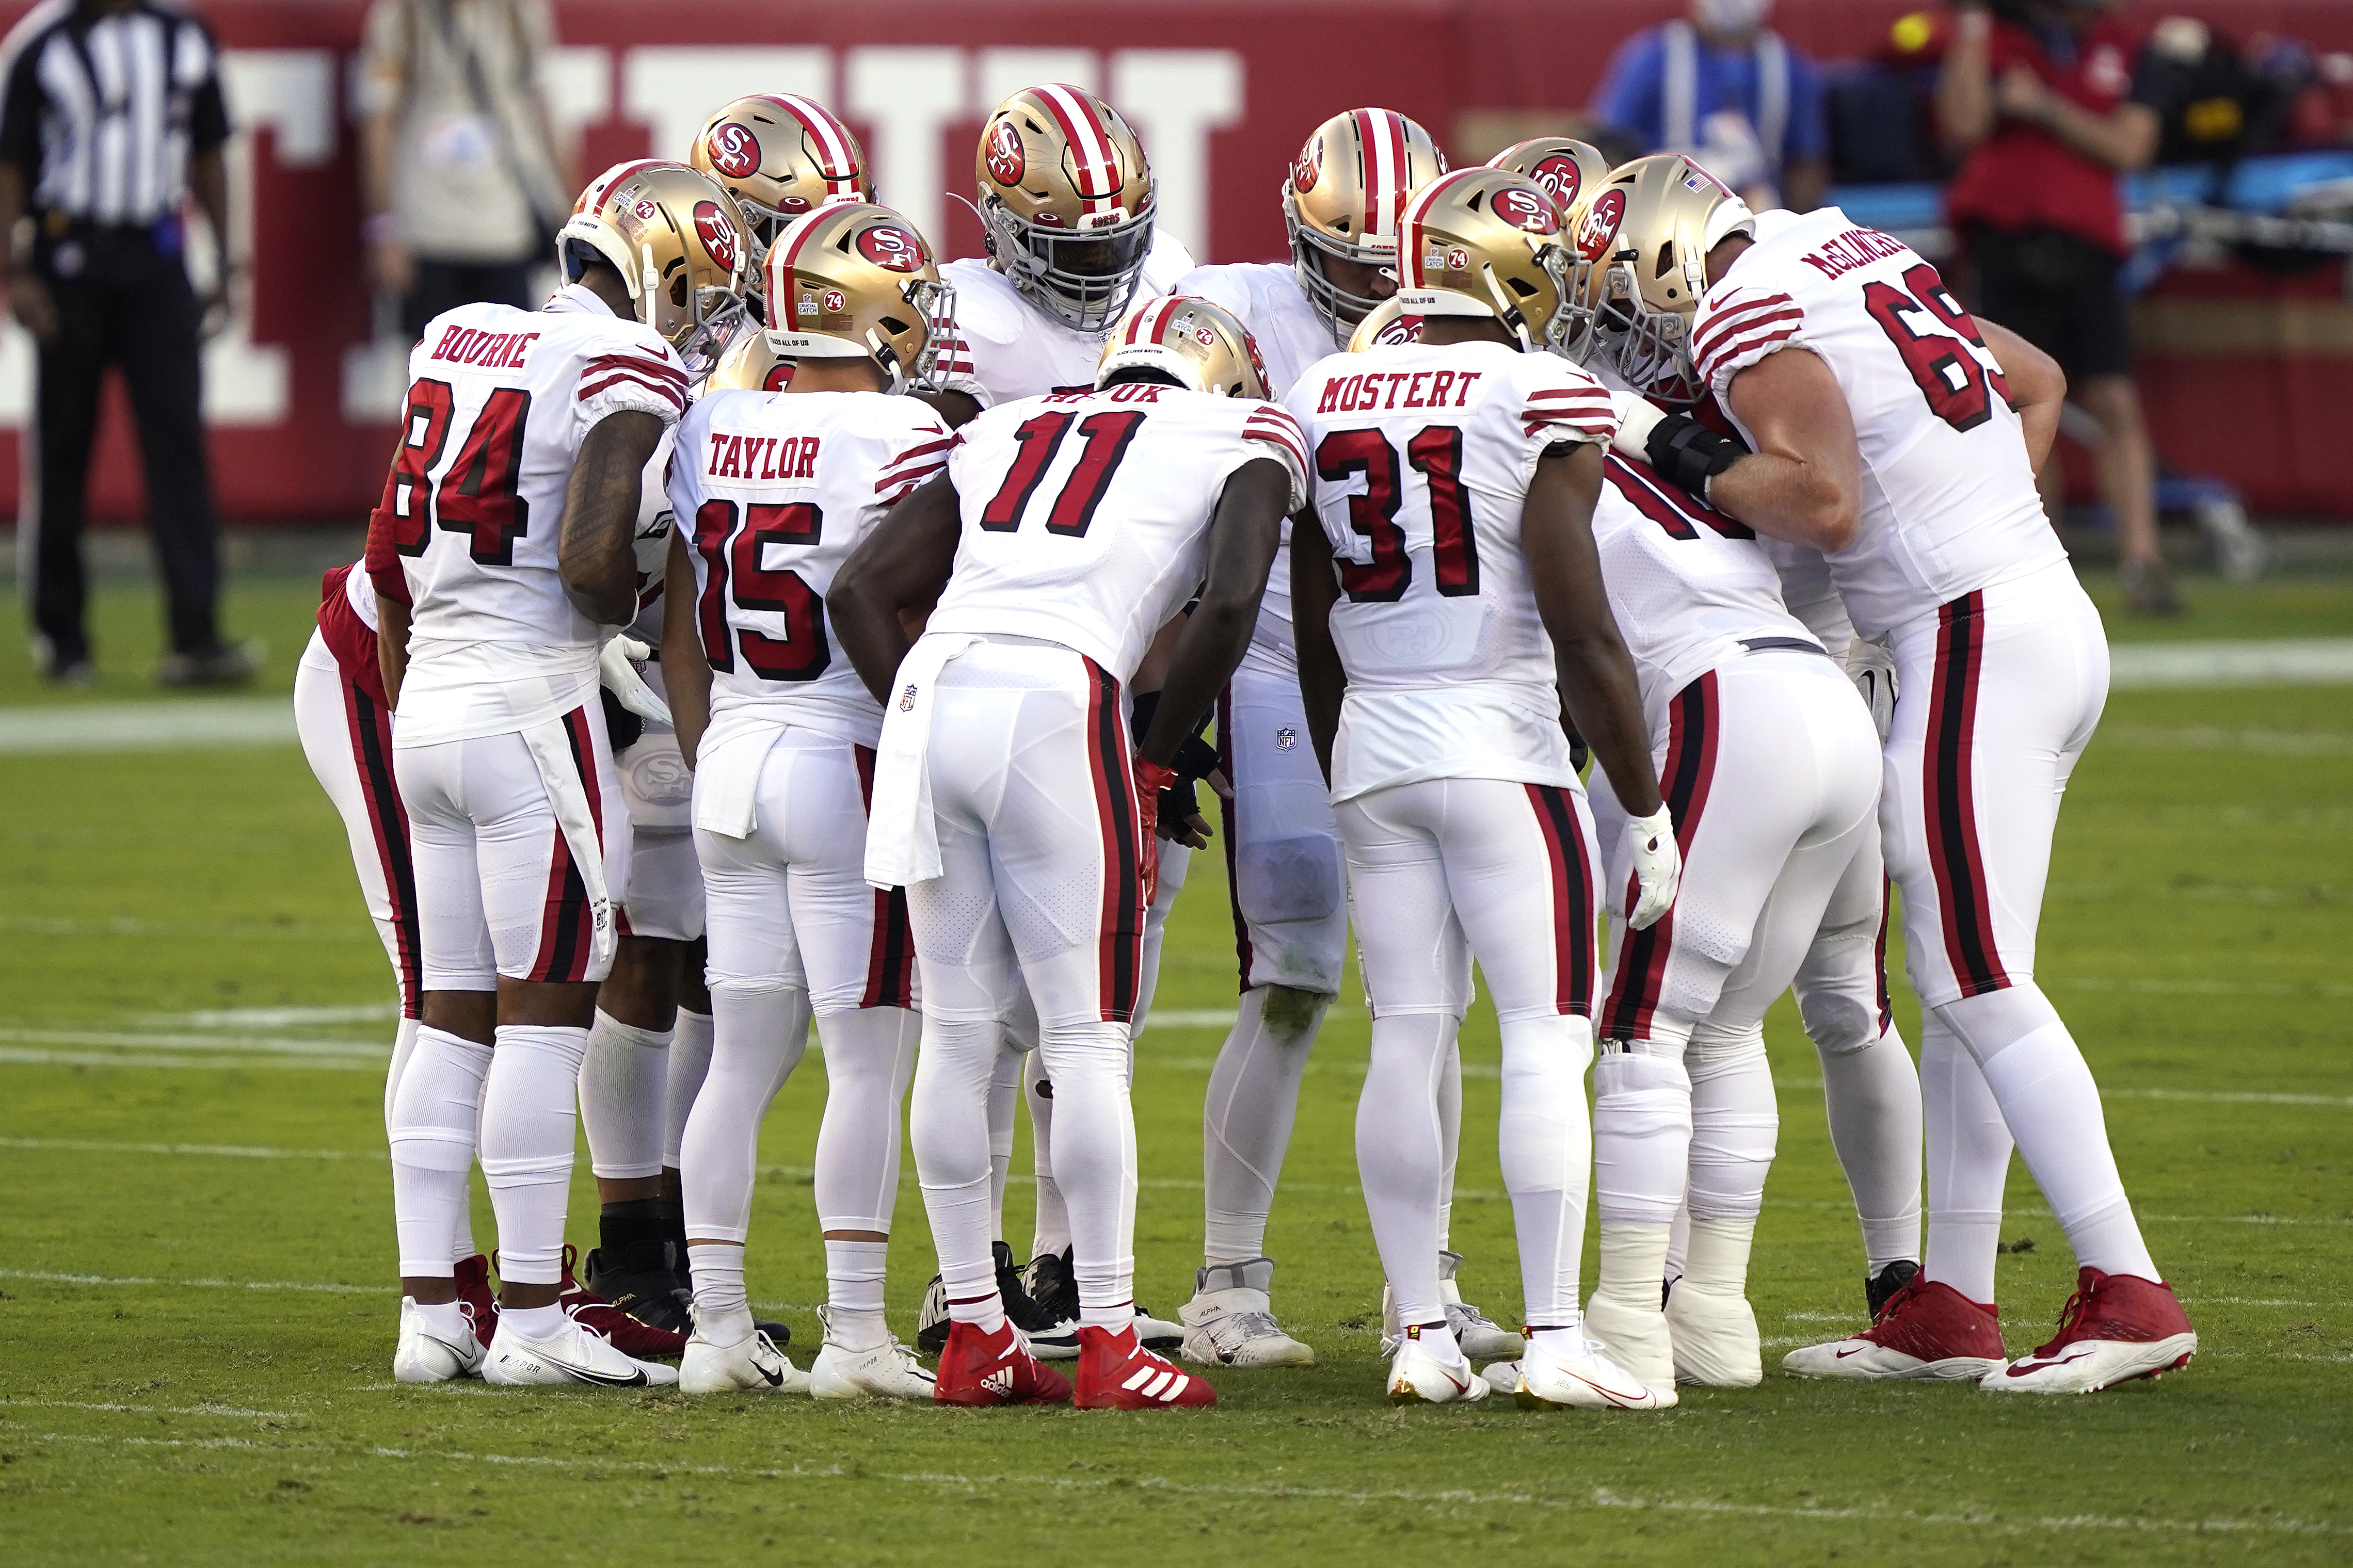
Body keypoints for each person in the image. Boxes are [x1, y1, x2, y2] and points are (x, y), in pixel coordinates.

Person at [1588, 142, 2196, 1393]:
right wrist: (1971, 516)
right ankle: (1951, 1305)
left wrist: (1663, 439)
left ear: (1662, 259)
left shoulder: (1742, 304)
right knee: (1971, 976)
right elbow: (2037, 382)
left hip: (1969, 627)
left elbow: (1822, 507)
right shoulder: (1837, 252)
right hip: (2032, 609)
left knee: (1971, 976)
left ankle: (2126, 1290)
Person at [827, 296, 1301, 1410]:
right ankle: (1104, 1336)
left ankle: (974, 1334)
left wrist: (913, 707)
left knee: (956, 1032)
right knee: (1085, 1039)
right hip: (1057, 698)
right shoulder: (1246, 433)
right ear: (1225, 376)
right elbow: (1231, 596)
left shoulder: (1008, 422)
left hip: (935, 686)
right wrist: (1152, 751)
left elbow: (858, 586)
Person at [1286, 167, 1679, 1410]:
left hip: (1374, 745)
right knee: (1544, 1038)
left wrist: (1346, 742)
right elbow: (1580, 615)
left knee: (1407, 1035)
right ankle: (1558, 1335)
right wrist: (1645, 797)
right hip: (1500, 745)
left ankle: (1418, 1332)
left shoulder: (1319, 388)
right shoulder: (1540, 388)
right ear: (1510, 270)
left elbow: (1309, 613)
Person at [367, 160, 748, 1388]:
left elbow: (386, 553)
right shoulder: (623, 366)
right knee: (544, 1013)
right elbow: (590, 563)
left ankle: (433, 1313)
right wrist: (637, 592)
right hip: (534, 702)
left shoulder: (461, 337)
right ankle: (532, 1314)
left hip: (428, 694)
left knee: (446, 1011)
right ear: (666, 272)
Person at [1165, 107, 1530, 1370]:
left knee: (1437, 989)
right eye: (1351, 261)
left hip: (1407, 671)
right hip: (1271, 656)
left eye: (1399, 262)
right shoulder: (1223, 307)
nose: (1379, 287)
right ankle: (1224, 1278)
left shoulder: (1462, 322)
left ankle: (1420, 1284)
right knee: (1298, 976)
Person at [1552, 156, 1887, 1395]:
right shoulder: (1675, 446)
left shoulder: (1554, 437)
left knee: (1640, 1033)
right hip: (1824, 711)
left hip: (1722, 710)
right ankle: (1717, 1318)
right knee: (1730, 1025)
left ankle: (1631, 1321)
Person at [919, 83, 1198, 1357]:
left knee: (1085, 1010)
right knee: (997, 1016)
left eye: (1113, 243)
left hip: (1098, 671)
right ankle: (971, 1275)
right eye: (1069, 247)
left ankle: (1051, 1267)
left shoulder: (1173, 287)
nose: (1100, 274)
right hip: (1037, 668)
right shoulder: (957, 318)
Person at [660, 200, 953, 1400]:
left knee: (737, 1058)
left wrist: (707, 741)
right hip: (843, 754)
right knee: (866, 1061)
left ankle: (714, 1328)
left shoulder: (714, 419)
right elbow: (920, 613)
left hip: (731, 751)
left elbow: (678, 606)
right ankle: (852, 1334)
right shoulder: (905, 431)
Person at [0, 0, 255, 687]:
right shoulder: (43, 43)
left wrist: (226, 263)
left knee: (177, 447)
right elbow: (12, 163)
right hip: (68, 256)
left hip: (155, 256)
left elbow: (209, 151)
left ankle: (196, 634)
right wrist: (16, 270)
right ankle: (62, 636)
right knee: (63, 447)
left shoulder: (182, 39)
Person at [1937, 0, 2177, 614]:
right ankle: (2041, 566)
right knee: (2016, 403)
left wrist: (2044, 108)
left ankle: (2142, 562)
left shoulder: (2127, 45)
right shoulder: (1998, 35)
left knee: (2112, 400)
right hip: (2006, 238)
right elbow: (1963, 123)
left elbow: (2129, 147)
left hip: (2086, 242)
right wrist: (1969, 24)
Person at [359, 0, 570, 343]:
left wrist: (569, 215)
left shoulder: (519, 12)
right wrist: (384, 228)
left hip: (504, 228)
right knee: (428, 376)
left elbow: (545, 112)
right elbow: (380, 121)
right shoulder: (404, 14)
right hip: (427, 229)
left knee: (510, 372)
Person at [1590, 0, 1830, 212]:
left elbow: (1807, 162)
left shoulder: (1791, 68)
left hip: (1759, 213)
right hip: (1667, 210)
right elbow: (1607, 145)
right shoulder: (1650, 58)